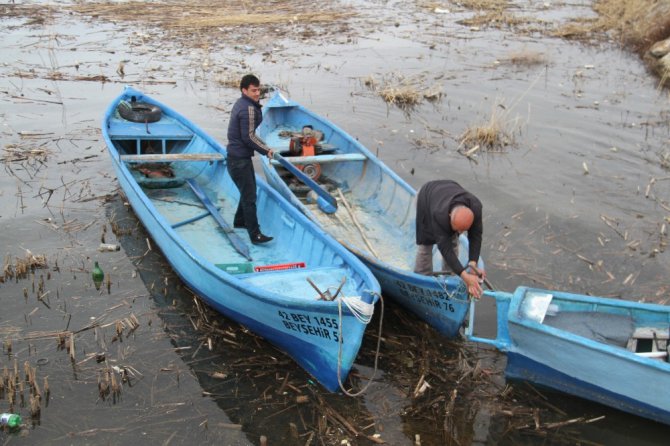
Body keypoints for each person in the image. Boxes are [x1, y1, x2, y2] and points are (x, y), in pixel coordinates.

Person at [414, 180, 485, 298]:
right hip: (425, 198)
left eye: (463, 231)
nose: (460, 233)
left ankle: (449, 279)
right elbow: (445, 249)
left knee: (453, 240)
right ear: (449, 216)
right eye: (458, 229)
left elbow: (476, 236)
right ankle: (421, 279)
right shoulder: (439, 214)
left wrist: (473, 263)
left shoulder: (476, 207)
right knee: (426, 244)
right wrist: (464, 276)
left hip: (447, 192)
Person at [226, 74, 275, 245]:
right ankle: (255, 235)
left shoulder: (242, 103)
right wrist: (266, 151)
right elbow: (248, 137)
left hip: (234, 158)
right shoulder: (248, 109)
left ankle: (239, 221)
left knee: (247, 191)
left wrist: (265, 147)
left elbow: (249, 135)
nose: (257, 93)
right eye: (253, 90)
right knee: (250, 198)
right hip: (239, 160)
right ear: (244, 90)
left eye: (258, 90)